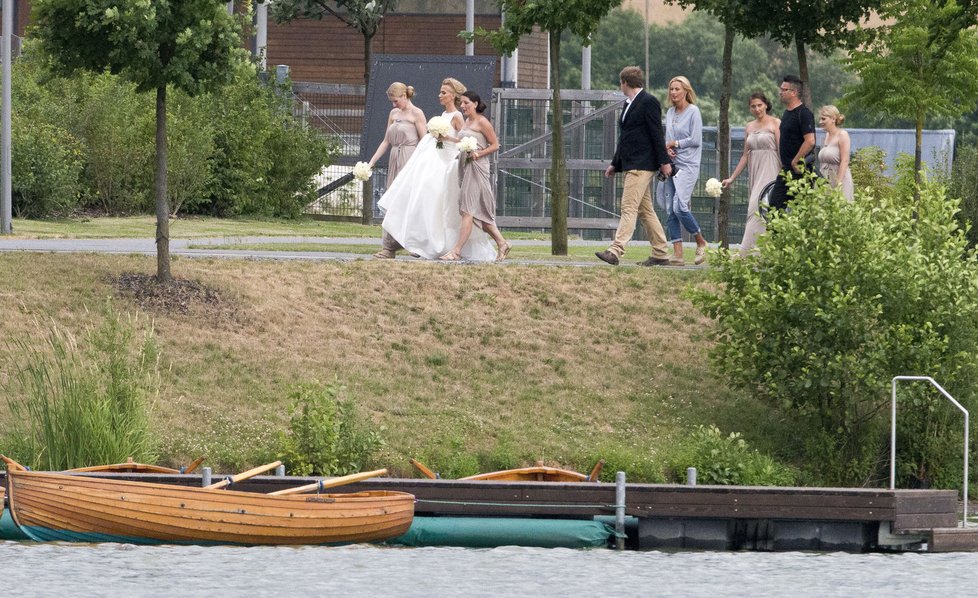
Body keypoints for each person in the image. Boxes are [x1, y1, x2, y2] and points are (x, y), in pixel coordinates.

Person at [377, 78, 496, 261]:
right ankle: (420, 241)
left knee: (442, 203)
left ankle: (448, 244)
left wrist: (446, 138)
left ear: (453, 96)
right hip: (437, 157)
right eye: (440, 92)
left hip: (447, 161)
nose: (440, 95)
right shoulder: (442, 115)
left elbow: (462, 141)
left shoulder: (457, 116)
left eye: (444, 93)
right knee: (426, 200)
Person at [595, 66, 673, 267]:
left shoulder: (648, 102)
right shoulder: (629, 104)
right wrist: (615, 163)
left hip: (642, 165)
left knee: (628, 207)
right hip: (632, 163)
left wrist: (664, 162)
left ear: (624, 82)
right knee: (645, 211)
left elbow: (657, 134)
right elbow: (626, 138)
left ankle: (615, 250)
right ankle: (661, 252)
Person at [440, 91, 511, 261]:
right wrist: (447, 138)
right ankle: (502, 243)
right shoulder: (466, 121)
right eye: (462, 103)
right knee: (476, 211)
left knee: (467, 211)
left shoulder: (482, 122)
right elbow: (461, 141)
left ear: (476, 104)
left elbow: (495, 145)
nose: (463, 106)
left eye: (466, 103)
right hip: (465, 164)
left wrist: (480, 153)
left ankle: (456, 251)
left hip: (477, 167)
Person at [369, 82, 427, 259]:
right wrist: (371, 162)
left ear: (404, 96)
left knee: (409, 202)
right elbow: (386, 141)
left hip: (410, 159)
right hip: (395, 158)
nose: (394, 105)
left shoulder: (417, 113)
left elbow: (424, 141)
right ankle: (389, 246)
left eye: (396, 101)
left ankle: (414, 244)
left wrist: (420, 164)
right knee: (392, 201)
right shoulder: (393, 114)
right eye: (391, 102)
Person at [722, 92, 781, 256]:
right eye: (753, 106)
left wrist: (785, 174)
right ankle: (760, 252)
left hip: (771, 169)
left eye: (759, 105)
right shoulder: (749, 126)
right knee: (757, 209)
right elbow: (745, 155)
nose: (757, 109)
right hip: (755, 171)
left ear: (766, 105)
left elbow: (781, 150)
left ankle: (745, 253)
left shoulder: (775, 123)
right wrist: (732, 178)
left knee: (758, 207)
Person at [658, 76, 708, 266]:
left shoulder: (694, 112)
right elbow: (668, 138)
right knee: (670, 209)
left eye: (677, 89)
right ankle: (678, 254)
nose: (673, 93)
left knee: (680, 207)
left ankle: (700, 241)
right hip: (672, 164)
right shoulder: (670, 112)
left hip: (688, 166)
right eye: (671, 89)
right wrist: (667, 148)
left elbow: (695, 139)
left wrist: (675, 143)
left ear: (686, 91)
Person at [768, 75, 816, 211]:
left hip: (799, 170)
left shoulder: (804, 113)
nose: (780, 92)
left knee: (800, 212)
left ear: (794, 93)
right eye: (781, 89)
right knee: (775, 210)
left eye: (784, 89)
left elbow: (810, 141)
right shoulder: (787, 113)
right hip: (786, 170)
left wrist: (796, 161)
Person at [817, 105, 854, 201]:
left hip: (839, 178)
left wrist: (838, 183)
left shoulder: (842, 134)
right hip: (825, 180)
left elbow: (845, 160)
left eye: (823, 119)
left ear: (833, 119)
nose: (820, 122)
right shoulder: (825, 136)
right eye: (820, 119)